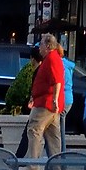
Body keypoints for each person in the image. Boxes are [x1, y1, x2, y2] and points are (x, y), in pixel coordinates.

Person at [26, 32, 67, 162]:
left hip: (46, 103)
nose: (39, 47)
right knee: (53, 137)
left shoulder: (51, 59)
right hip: (50, 103)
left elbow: (57, 81)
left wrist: (54, 99)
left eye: (41, 44)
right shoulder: (52, 58)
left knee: (34, 130)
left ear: (48, 46)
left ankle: (33, 167)